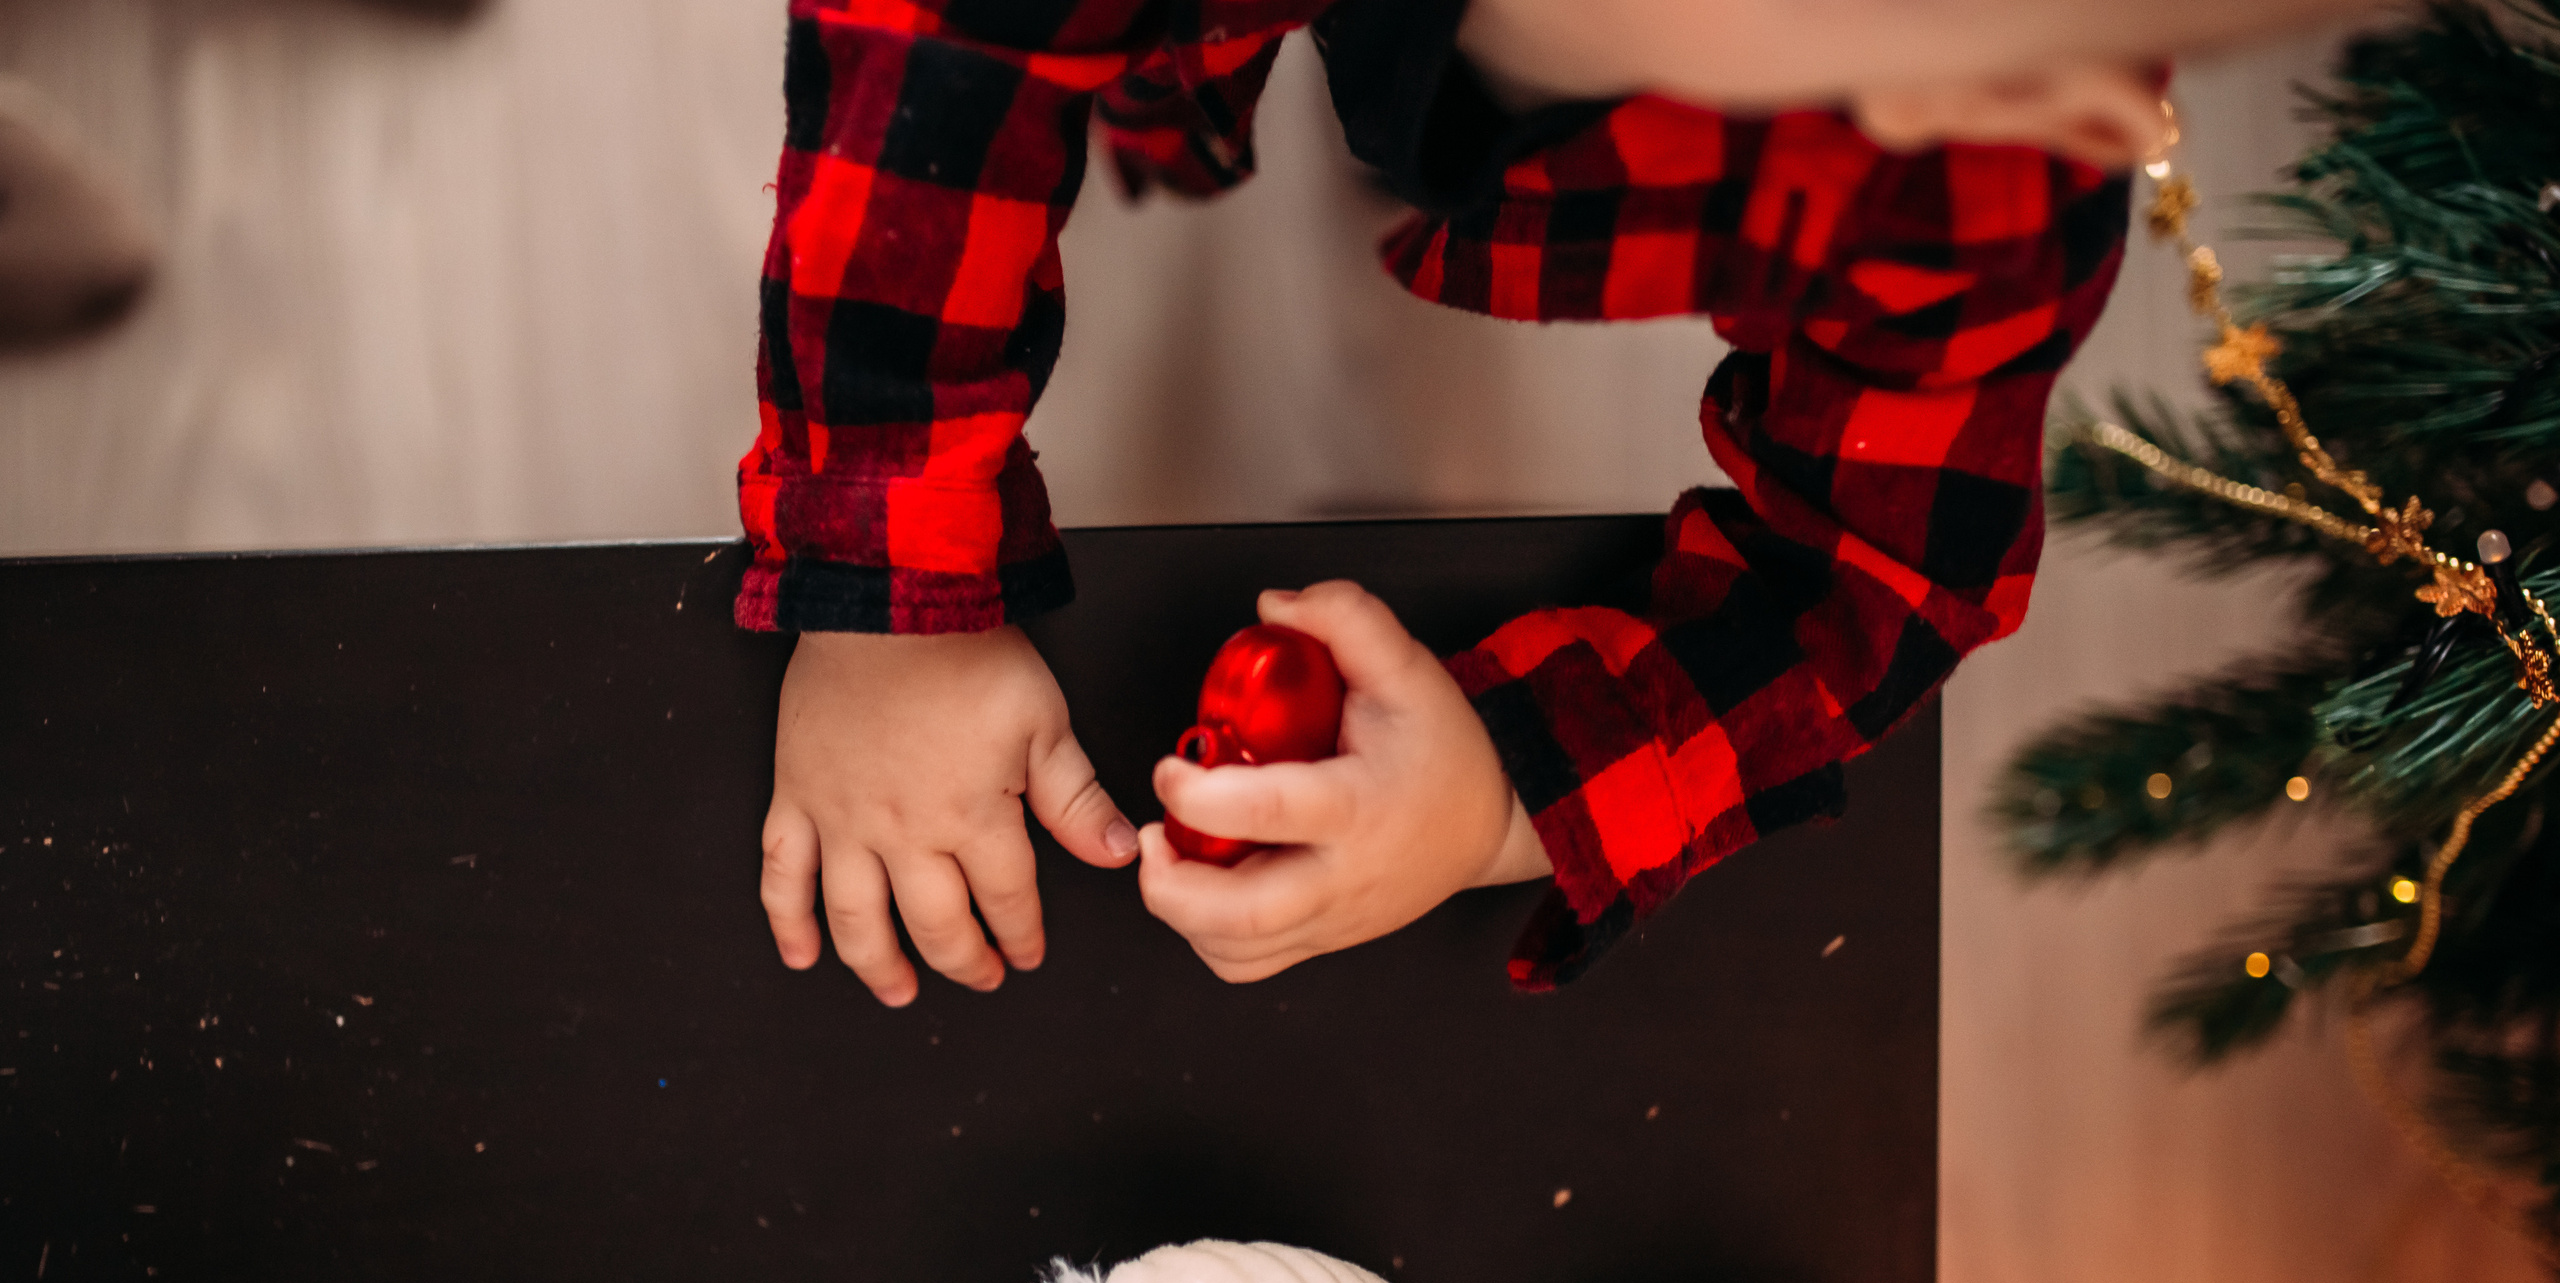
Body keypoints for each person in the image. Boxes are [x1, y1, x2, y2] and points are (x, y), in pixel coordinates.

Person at [740, 0, 2371, 1006]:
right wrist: (888, 603)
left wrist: (1510, 801)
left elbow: (1869, 578)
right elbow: (943, 58)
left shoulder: (1987, 161)